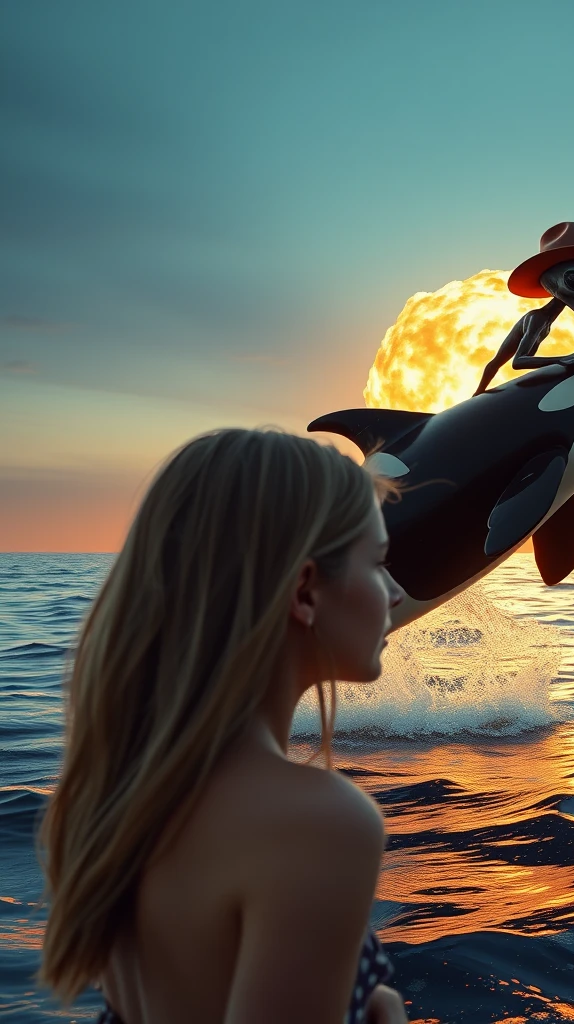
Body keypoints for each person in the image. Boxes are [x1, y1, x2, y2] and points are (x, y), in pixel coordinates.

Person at [37, 428, 409, 1024]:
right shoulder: (318, 822)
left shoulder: (119, 795)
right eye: (378, 563)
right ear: (306, 591)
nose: (393, 592)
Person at [472, 221, 574, 395]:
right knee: (496, 362)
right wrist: (564, 360)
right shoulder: (537, 319)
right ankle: (477, 394)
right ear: (551, 282)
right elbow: (518, 361)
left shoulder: (547, 320)